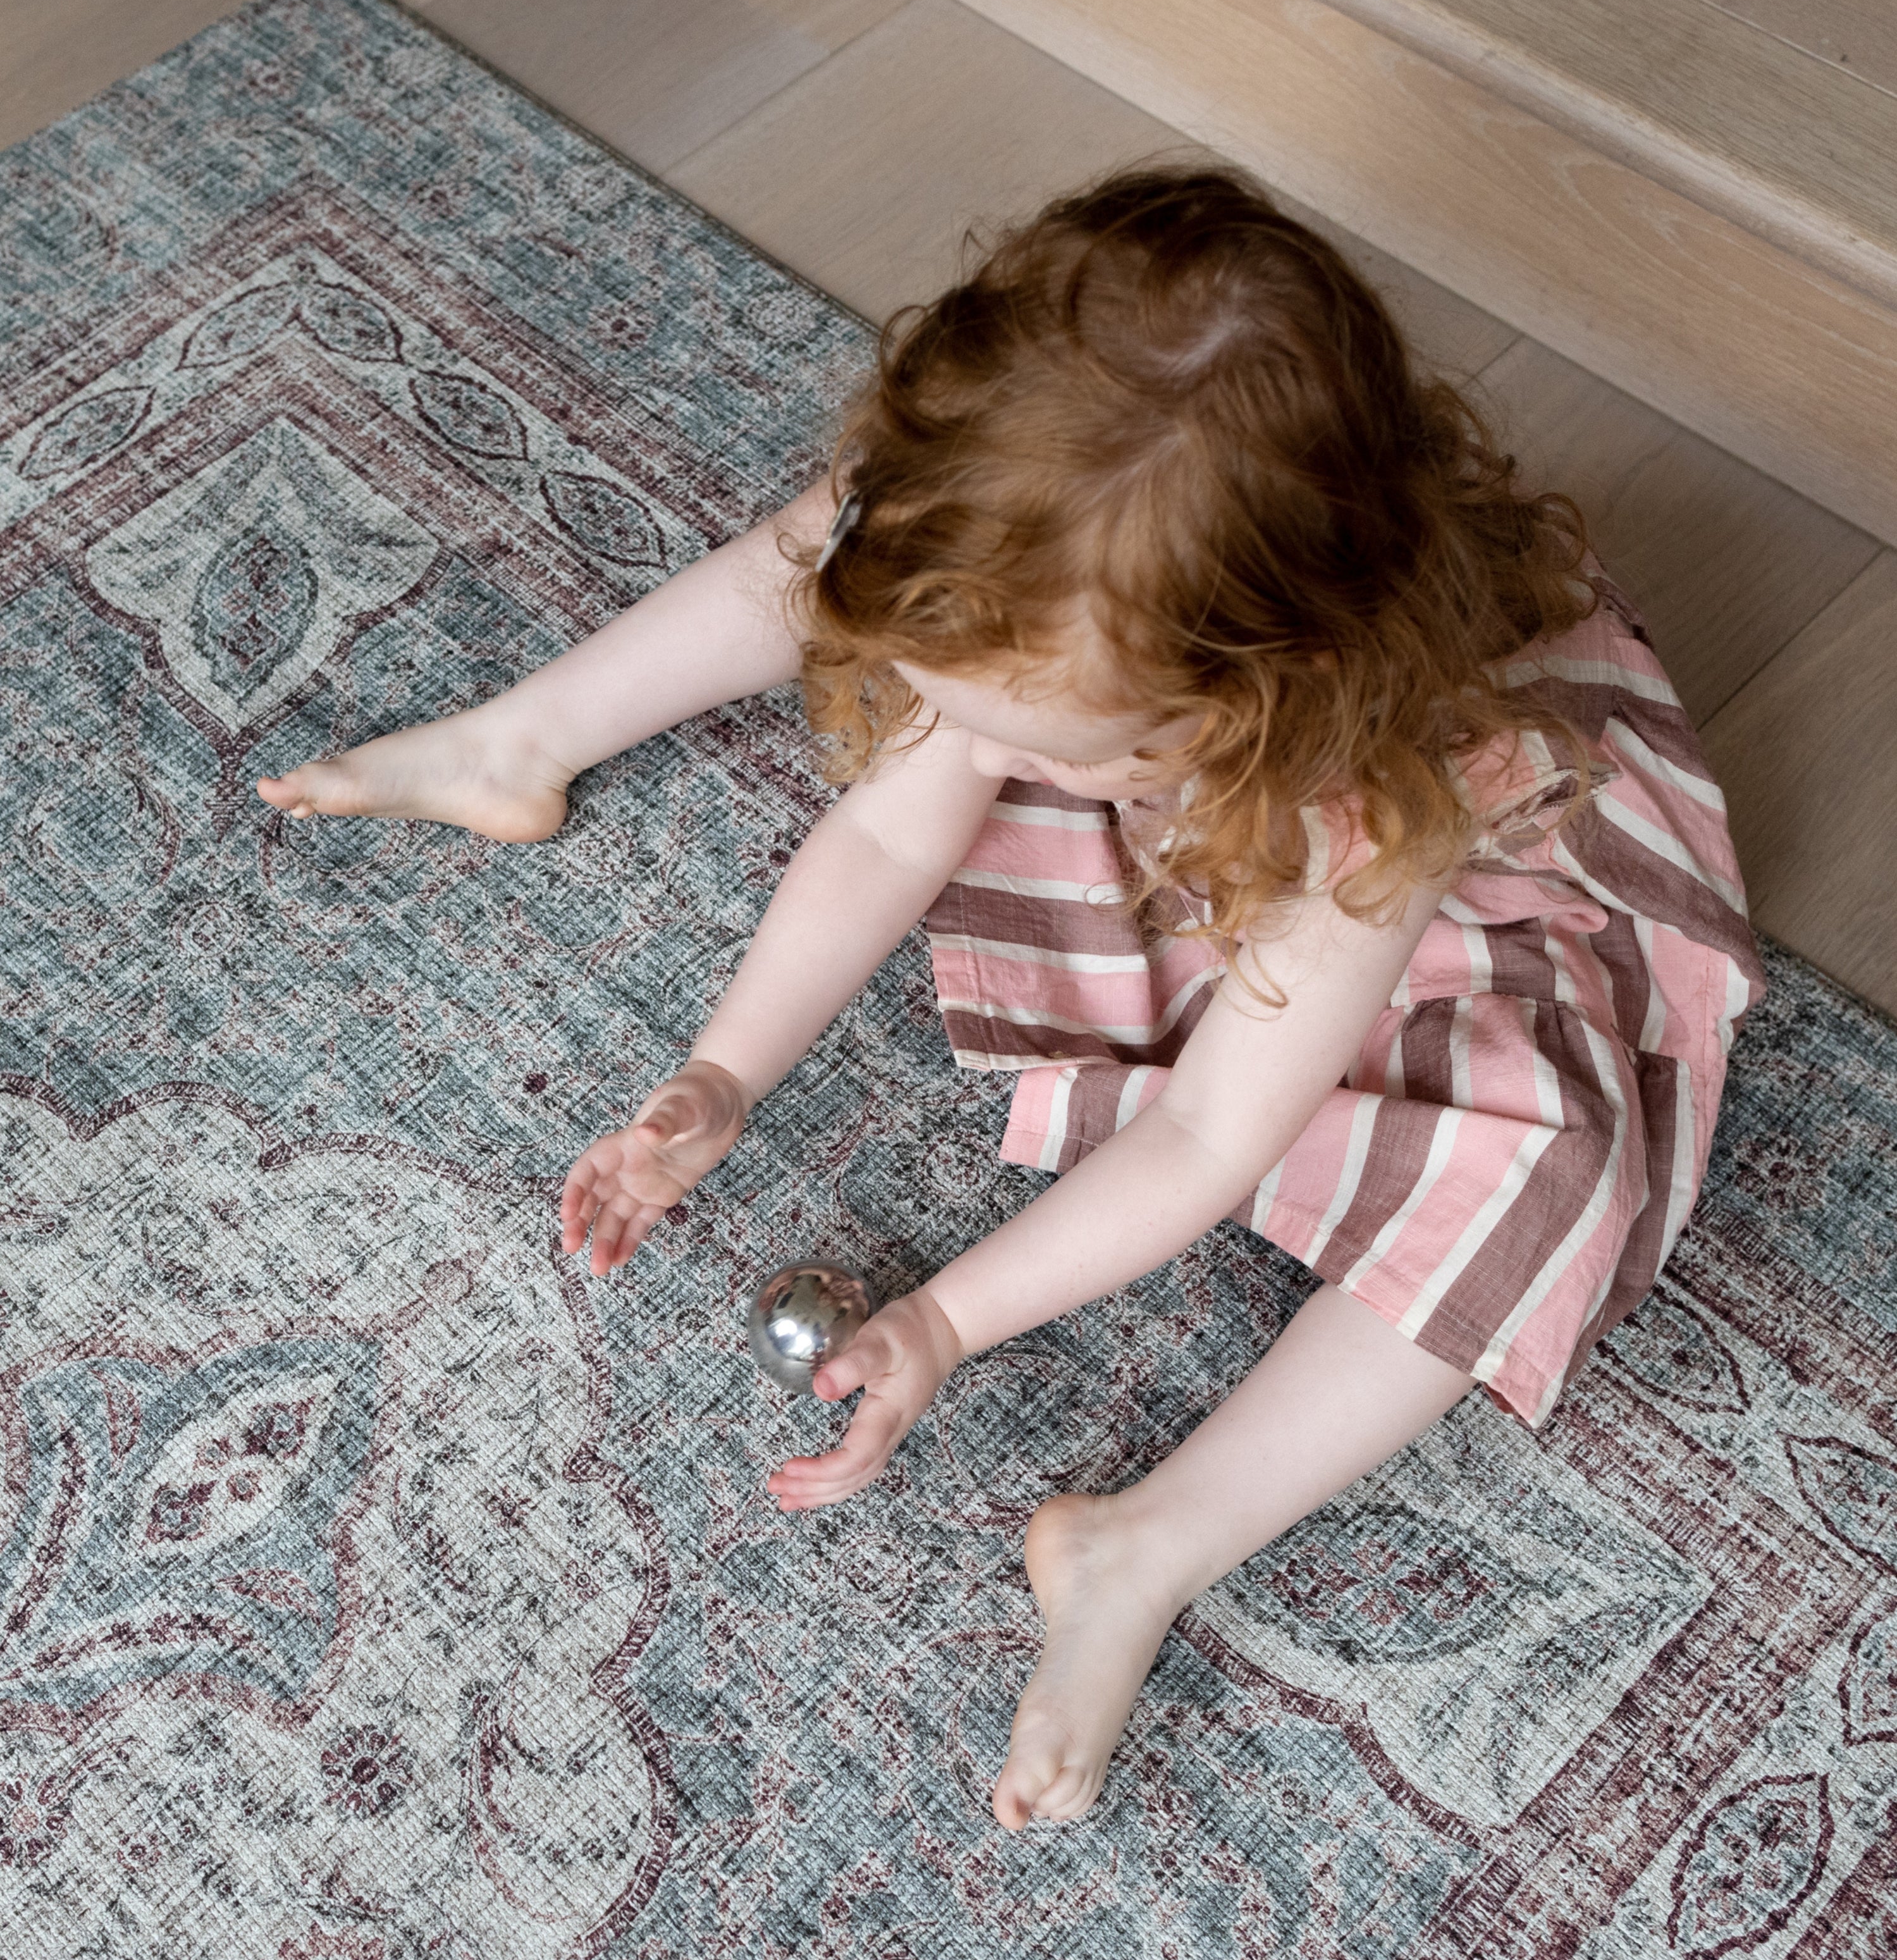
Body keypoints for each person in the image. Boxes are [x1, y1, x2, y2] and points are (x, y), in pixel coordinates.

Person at [259, 167, 1765, 1831]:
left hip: (1420, 895)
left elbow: (1204, 1135)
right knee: (838, 551)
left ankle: (1151, 1541)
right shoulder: (1006, 566)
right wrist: (725, 1073)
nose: (949, 741)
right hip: (1147, 716)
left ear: (1238, 713)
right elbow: (889, 827)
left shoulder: (1365, 792)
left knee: (1560, 1178)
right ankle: (522, 736)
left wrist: (943, 1318)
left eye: (1018, 736)